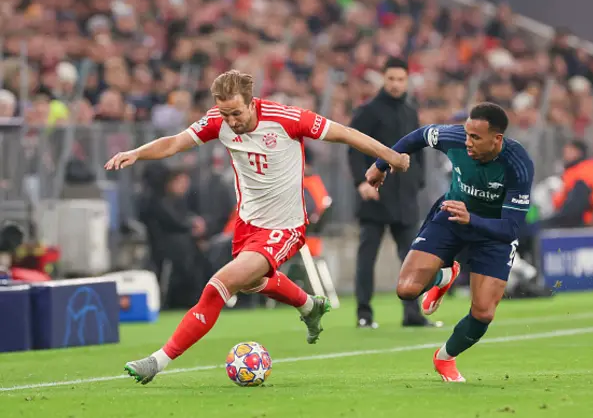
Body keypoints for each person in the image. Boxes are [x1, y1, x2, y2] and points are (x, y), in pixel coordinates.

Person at [105, 69, 411, 385]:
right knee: (250, 283)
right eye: (225, 114)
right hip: (248, 223)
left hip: (285, 226)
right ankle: (309, 305)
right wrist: (136, 153)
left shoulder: (287, 118)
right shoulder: (217, 121)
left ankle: (157, 361)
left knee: (220, 284)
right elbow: (174, 143)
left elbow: (346, 133)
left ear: (252, 103)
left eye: (236, 113)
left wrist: (390, 157)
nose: (231, 121)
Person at [366, 102, 534, 382]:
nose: (467, 142)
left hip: (493, 232)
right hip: (452, 216)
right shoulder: (454, 137)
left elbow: (511, 228)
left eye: (475, 138)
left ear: (497, 139)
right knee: (406, 290)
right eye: (467, 134)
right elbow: (417, 136)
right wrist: (382, 164)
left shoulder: (518, 165)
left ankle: (445, 357)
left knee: (483, 313)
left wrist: (474, 220)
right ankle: (445, 275)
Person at [347, 57, 433, 329]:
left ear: (407, 81)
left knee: (412, 258)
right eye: (391, 79)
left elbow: (419, 150)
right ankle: (364, 314)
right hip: (376, 193)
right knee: (367, 258)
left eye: (400, 79)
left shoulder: (410, 111)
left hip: (405, 197)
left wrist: (418, 180)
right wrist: (362, 182)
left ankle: (412, 314)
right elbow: (353, 148)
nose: (396, 84)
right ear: (383, 79)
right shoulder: (368, 111)